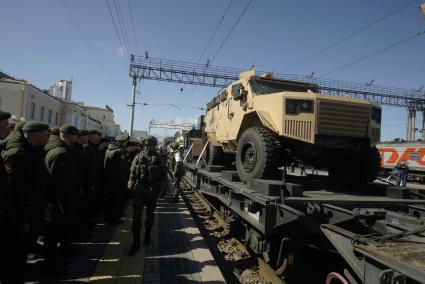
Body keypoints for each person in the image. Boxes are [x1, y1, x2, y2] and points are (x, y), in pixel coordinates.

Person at [1, 121, 50, 281]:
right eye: (46, 134)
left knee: (23, 253)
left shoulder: (34, 151)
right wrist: (21, 220)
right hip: (20, 215)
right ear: (35, 135)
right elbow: (12, 192)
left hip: (32, 210)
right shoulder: (17, 154)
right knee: (15, 256)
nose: (49, 137)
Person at [44, 124, 79, 267]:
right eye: (75, 136)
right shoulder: (61, 153)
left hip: (56, 200)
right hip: (58, 201)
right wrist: (65, 201)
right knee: (53, 233)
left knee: (57, 230)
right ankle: (51, 263)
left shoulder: (55, 149)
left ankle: (59, 254)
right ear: (70, 136)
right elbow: (60, 182)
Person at [127, 135, 167, 255]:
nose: (148, 147)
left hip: (152, 190)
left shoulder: (158, 158)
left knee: (150, 215)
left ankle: (148, 236)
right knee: (136, 216)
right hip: (139, 189)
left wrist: (162, 189)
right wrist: (130, 183)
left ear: (154, 146)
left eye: (150, 145)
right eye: (146, 145)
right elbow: (132, 172)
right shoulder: (138, 157)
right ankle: (136, 243)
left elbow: (164, 175)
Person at [104, 134, 129, 224]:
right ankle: (113, 219)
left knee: (110, 199)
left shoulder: (109, 149)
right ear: (124, 142)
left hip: (109, 179)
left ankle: (108, 217)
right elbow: (122, 169)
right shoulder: (120, 151)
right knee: (115, 201)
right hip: (117, 181)